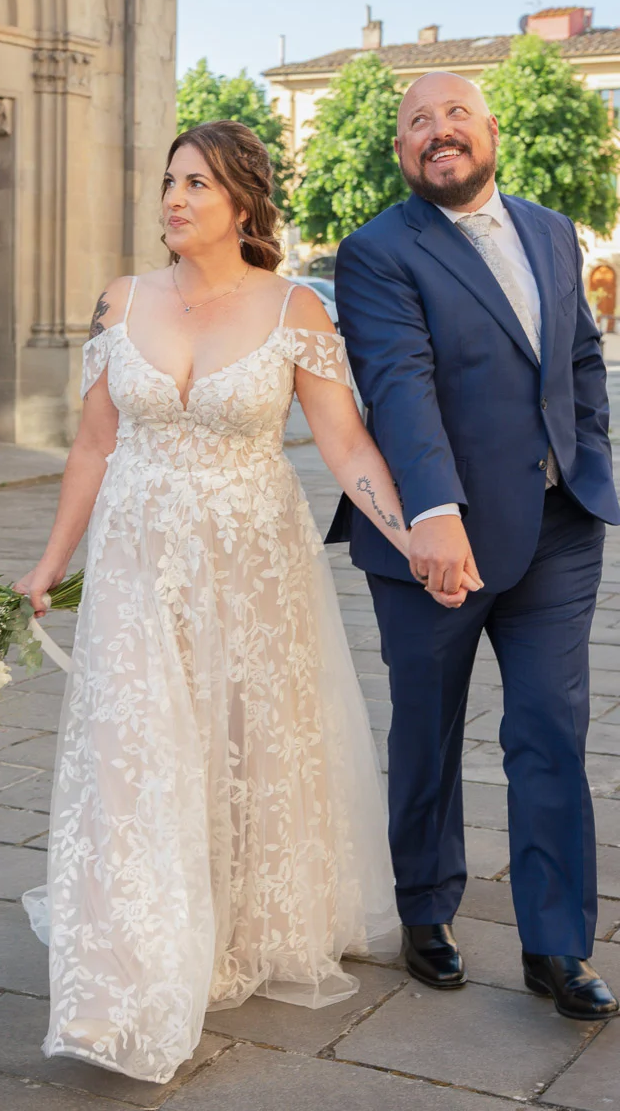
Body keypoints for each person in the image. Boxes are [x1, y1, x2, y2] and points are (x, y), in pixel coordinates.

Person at [15, 120, 420, 1084]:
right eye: (168, 183)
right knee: (138, 747)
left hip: (255, 562)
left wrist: (414, 532)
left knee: (246, 737)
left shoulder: (297, 312)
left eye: (196, 183)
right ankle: (133, 961)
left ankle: (243, 920)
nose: (174, 199)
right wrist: (47, 564)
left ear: (243, 200)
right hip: (137, 561)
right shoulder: (121, 301)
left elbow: (348, 446)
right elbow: (92, 447)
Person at [329, 71, 620, 1021]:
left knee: (549, 733)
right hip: (433, 545)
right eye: (418, 123)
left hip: (559, 529)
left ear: (492, 132)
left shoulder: (548, 228)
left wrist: (590, 456)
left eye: (456, 115)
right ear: (402, 151)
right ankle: (425, 909)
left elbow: (578, 355)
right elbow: (400, 383)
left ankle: (557, 946)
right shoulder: (376, 251)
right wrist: (435, 513)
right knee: (429, 728)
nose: (438, 132)